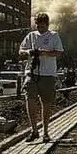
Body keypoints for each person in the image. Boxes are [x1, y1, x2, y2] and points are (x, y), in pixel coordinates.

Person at [19, 13, 65, 143]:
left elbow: (59, 53)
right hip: (32, 73)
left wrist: (44, 52)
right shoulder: (31, 36)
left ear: (47, 25)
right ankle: (34, 130)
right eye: (38, 26)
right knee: (30, 100)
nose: (40, 28)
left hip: (48, 74)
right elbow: (20, 51)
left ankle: (45, 132)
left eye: (42, 26)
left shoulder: (54, 36)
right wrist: (29, 52)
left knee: (46, 103)